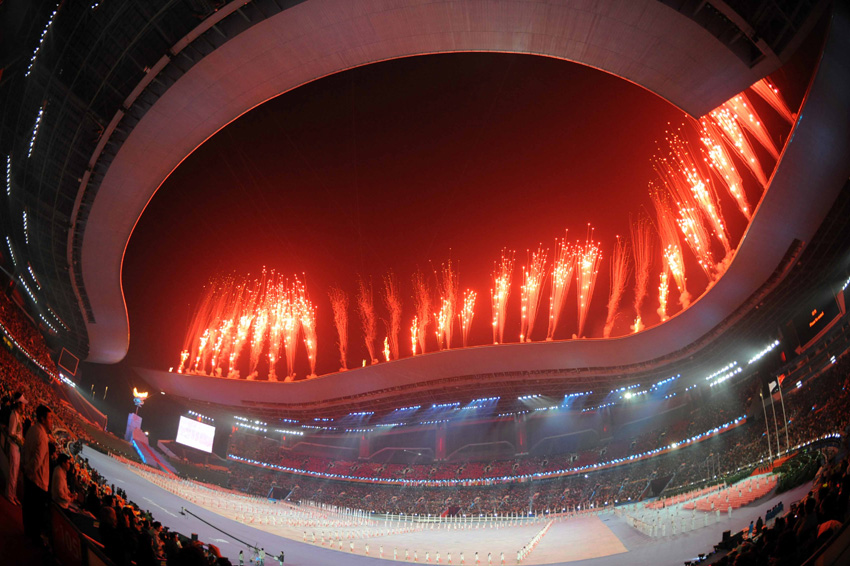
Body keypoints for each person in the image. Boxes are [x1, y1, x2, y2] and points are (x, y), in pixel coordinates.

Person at [22, 404, 52, 544]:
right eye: (50, 418)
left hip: (30, 478)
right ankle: (34, 539)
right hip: (37, 481)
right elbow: (37, 462)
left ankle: (28, 534)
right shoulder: (42, 436)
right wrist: (29, 471)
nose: (52, 421)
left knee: (28, 509)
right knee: (36, 514)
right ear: (43, 419)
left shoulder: (32, 430)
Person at [5, 398, 25, 504]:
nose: (24, 406)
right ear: (19, 404)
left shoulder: (19, 416)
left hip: (17, 447)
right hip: (14, 446)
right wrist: (20, 441)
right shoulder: (13, 415)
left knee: (16, 472)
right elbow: (11, 433)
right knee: (13, 471)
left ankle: (13, 494)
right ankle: (9, 494)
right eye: (23, 404)